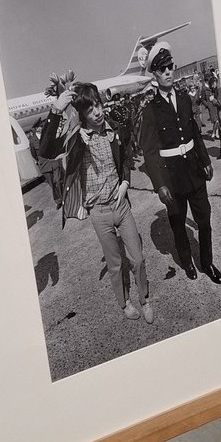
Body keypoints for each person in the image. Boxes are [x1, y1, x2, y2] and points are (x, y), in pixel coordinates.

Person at [39, 82, 154, 323]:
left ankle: (145, 299)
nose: (98, 112)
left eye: (98, 105)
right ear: (82, 115)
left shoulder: (114, 128)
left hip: (121, 206)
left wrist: (125, 182)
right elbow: (46, 150)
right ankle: (125, 303)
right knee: (115, 264)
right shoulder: (77, 139)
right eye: (90, 110)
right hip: (99, 213)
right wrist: (56, 110)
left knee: (137, 258)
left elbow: (125, 156)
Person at [139, 45, 221, 284]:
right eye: (162, 69)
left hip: (194, 172)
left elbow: (195, 133)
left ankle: (207, 263)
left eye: (170, 66)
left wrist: (205, 160)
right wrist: (160, 185)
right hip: (172, 179)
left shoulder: (185, 99)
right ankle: (187, 262)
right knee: (178, 225)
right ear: (155, 74)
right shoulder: (151, 110)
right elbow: (149, 152)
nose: (168, 72)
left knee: (204, 220)